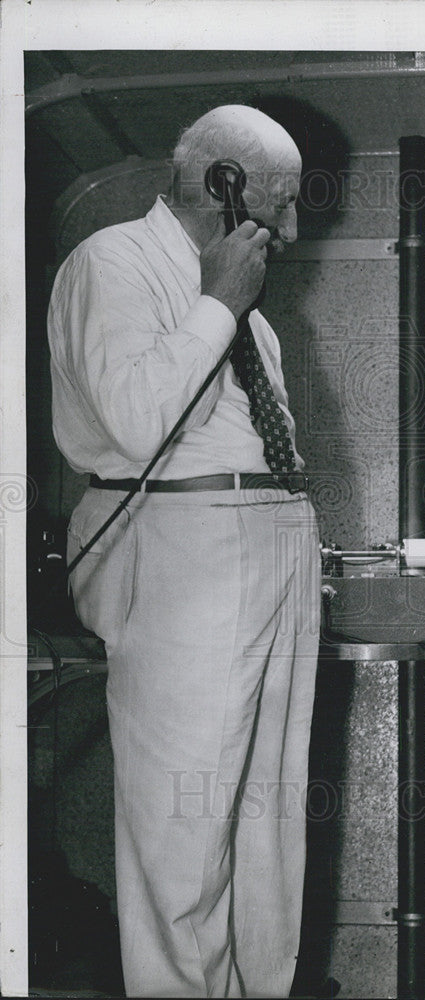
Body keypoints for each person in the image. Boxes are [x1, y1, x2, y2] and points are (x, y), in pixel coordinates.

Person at [48, 105, 321, 998]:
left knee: (266, 823)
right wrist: (215, 303)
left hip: (270, 539)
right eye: (276, 204)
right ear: (221, 185)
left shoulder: (247, 311)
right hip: (185, 551)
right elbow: (134, 421)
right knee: (182, 826)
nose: (289, 227)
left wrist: (225, 304)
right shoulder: (113, 262)